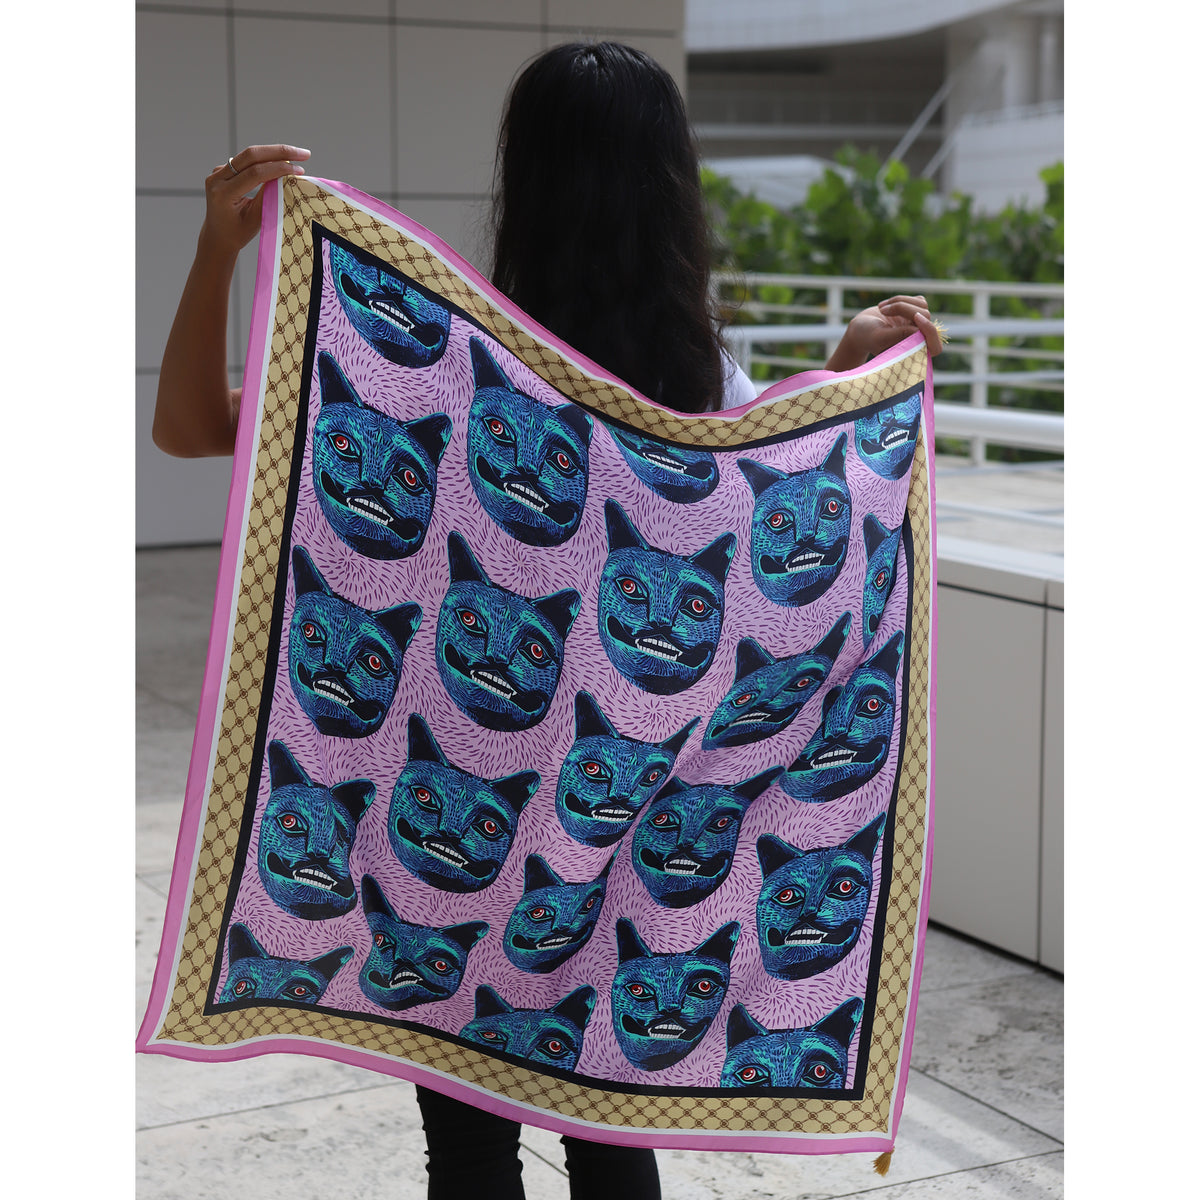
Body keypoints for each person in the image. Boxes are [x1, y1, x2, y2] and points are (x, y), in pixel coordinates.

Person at [152, 40, 942, 1200]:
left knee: (465, 1143)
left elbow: (187, 428)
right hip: (618, 831)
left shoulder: (438, 362)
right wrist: (846, 380)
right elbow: (788, 553)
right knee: (612, 1128)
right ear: (671, 183)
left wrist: (220, 246)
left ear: (526, 175)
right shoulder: (700, 373)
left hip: (456, 843)